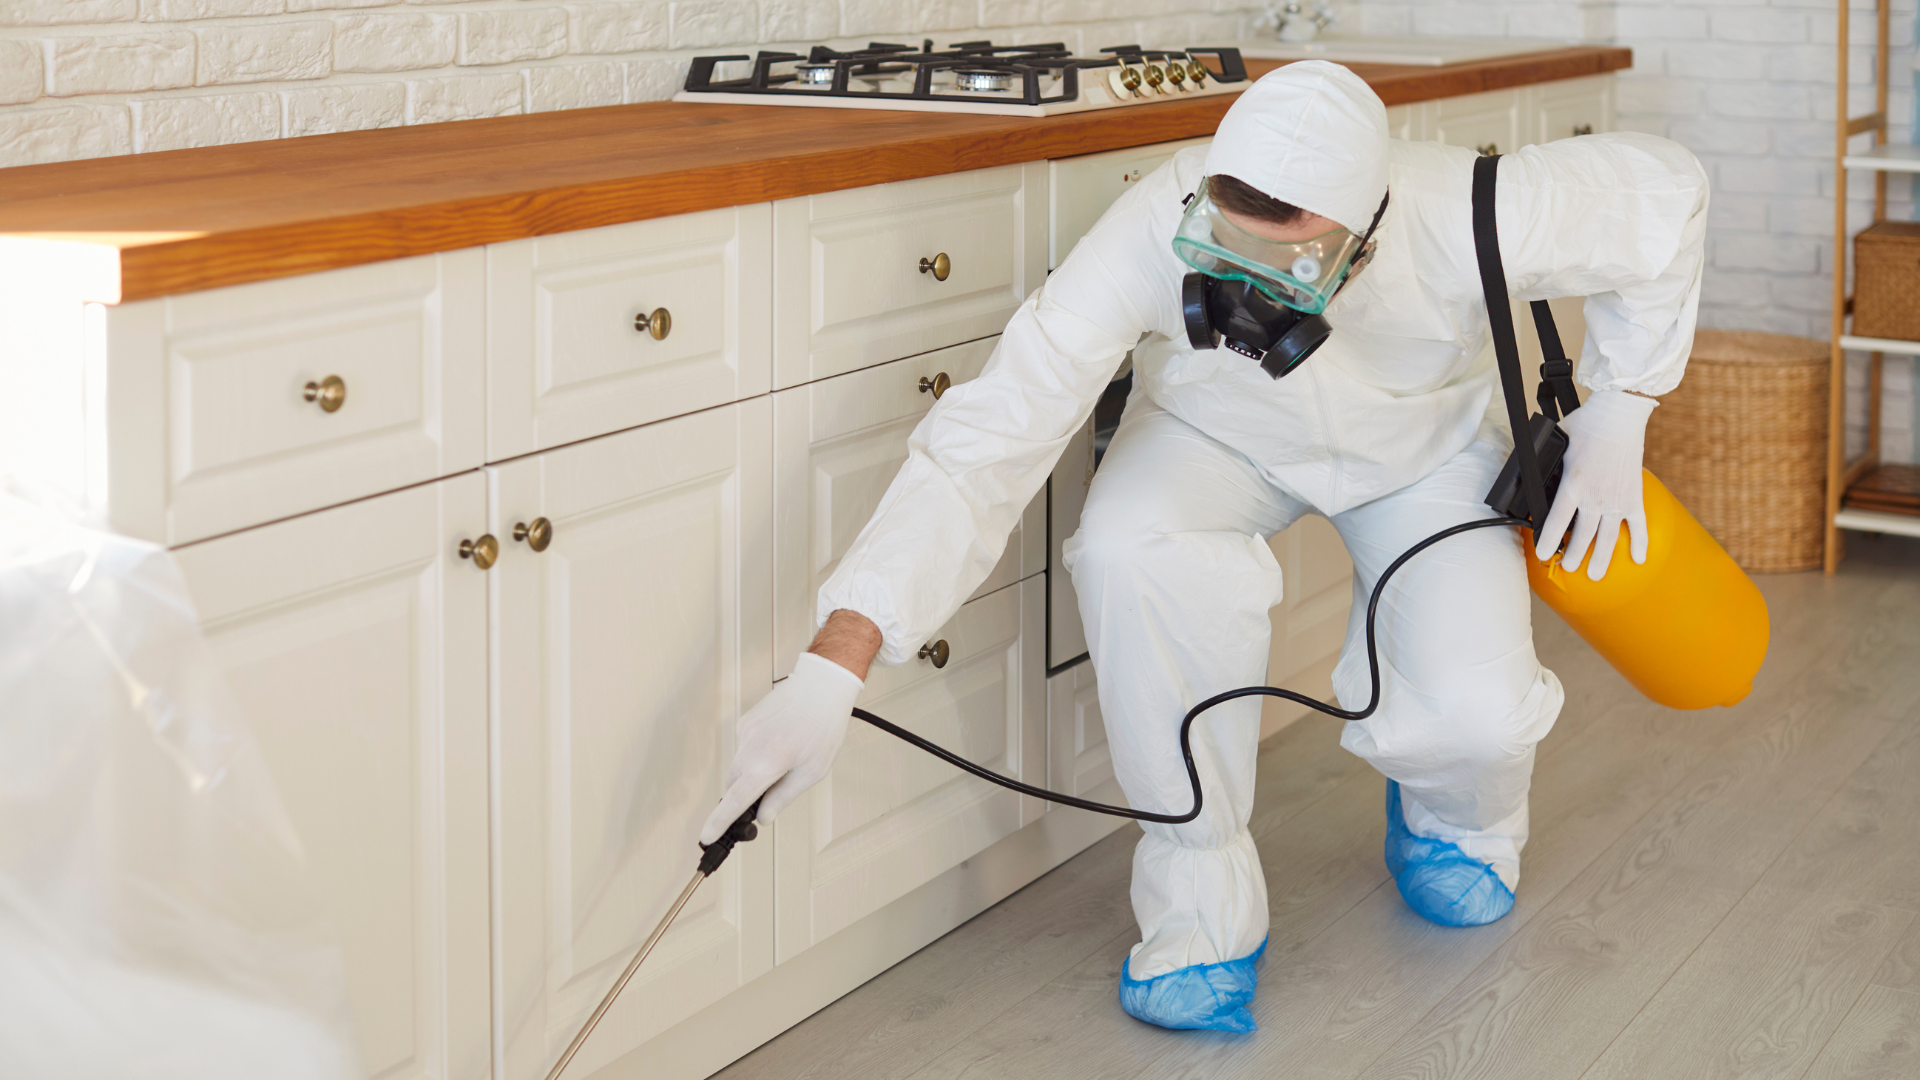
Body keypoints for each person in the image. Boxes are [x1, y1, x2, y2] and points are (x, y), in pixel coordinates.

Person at [700, 61, 1707, 1033]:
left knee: (1480, 715)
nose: (1253, 283)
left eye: (1293, 259)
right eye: (1229, 251)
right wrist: (837, 664)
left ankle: (1456, 819)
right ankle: (1200, 908)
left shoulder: (1471, 204)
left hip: (1420, 450)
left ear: (1367, 232)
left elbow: (1668, 195)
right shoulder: (1149, 222)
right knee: (1128, 551)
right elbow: (990, 436)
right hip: (1210, 436)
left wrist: (1625, 405)